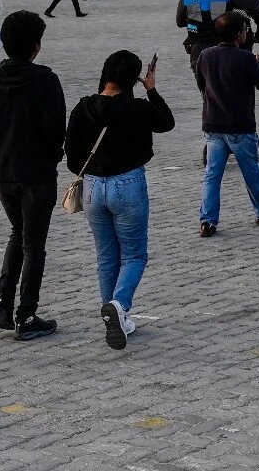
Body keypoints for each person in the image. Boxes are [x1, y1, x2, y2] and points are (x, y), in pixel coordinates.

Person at [66, 50, 173, 350]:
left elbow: (72, 154)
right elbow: (167, 122)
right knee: (135, 254)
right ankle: (119, 304)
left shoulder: (83, 107)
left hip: (93, 187)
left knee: (106, 255)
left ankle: (113, 314)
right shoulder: (138, 108)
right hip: (128, 183)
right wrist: (152, 90)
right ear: (133, 79)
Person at [0, 10, 65, 341]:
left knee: (18, 232)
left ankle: (2, 303)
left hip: (1, 171)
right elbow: (56, 131)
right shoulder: (46, 80)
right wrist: (52, 157)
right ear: (36, 45)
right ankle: (27, 313)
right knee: (34, 243)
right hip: (36, 172)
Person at [196, 12, 259, 236]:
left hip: (212, 123)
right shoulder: (246, 58)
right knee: (251, 170)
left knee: (212, 174)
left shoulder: (205, 55)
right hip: (240, 124)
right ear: (237, 34)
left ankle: (208, 219)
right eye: (244, 30)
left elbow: (201, 85)